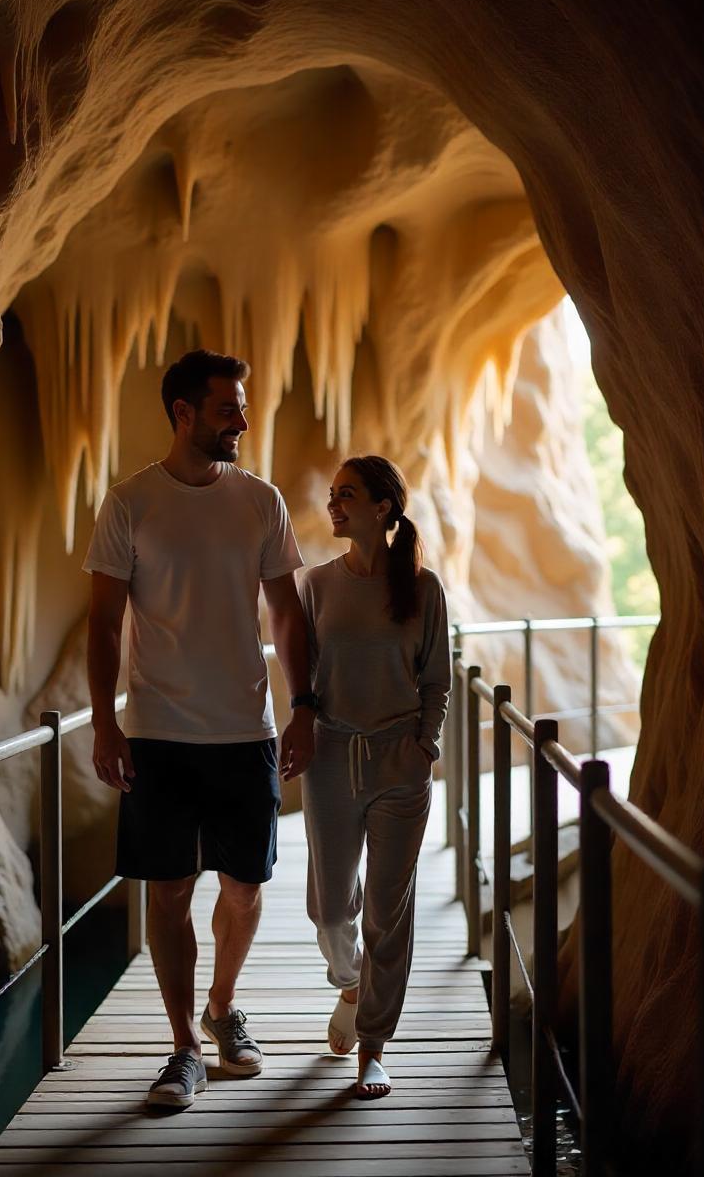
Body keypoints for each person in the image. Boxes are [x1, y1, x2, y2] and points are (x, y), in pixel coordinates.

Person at [84, 349, 315, 1109]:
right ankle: (183, 1045)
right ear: (182, 414)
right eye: (227, 409)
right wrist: (107, 726)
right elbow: (103, 624)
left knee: (246, 888)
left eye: (241, 408)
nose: (242, 421)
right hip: (156, 729)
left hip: (244, 729)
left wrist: (302, 706)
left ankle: (222, 1006)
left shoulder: (260, 501)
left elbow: (286, 612)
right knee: (170, 889)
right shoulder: (129, 503)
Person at [292, 455, 450, 1099]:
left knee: (390, 908)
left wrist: (424, 745)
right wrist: (300, 728)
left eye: (346, 495)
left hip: (399, 764)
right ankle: (350, 985)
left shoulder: (423, 587)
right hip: (330, 759)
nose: (334, 504)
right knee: (331, 908)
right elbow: (301, 677)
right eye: (331, 494)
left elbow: (437, 678)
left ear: (382, 508)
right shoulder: (317, 585)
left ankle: (374, 1050)